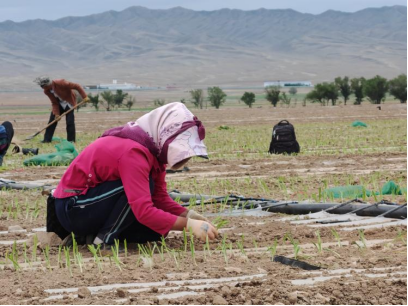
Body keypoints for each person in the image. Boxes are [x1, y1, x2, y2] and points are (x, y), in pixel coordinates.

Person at [53, 102, 218, 247]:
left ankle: (86, 237)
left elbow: (160, 199)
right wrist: (188, 225)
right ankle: (102, 241)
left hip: (91, 205)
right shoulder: (134, 152)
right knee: (142, 191)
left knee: (155, 232)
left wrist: (190, 215)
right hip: (73, 207)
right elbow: (143, 210)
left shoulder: (154, 153)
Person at [34, 77, 88, 143]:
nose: (43, 88)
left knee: (70, 122)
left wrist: (84, 96)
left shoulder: (61, 83)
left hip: (69, 102)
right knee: (52, 121)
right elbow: (54, 102)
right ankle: (47, 140)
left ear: (48, 85)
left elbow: (77, 86)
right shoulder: (46, 91)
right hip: (59, 104)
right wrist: (56, 114)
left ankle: (71, 140)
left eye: (44, 86)